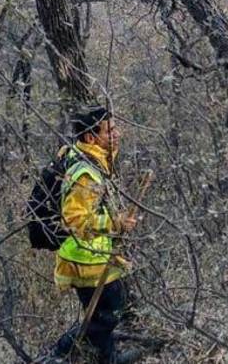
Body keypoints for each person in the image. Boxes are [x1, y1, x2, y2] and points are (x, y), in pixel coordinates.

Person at [50, 106, 139, 364]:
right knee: (107, 313)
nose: (116, 134)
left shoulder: (82, 155)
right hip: (85, 258)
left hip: (91, 254)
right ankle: (63, 350)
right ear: (91, 137)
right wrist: (116, 222)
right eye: (109, 130)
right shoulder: (86, 174)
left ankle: (106, 358)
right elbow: (75, 220)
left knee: (103, 312)